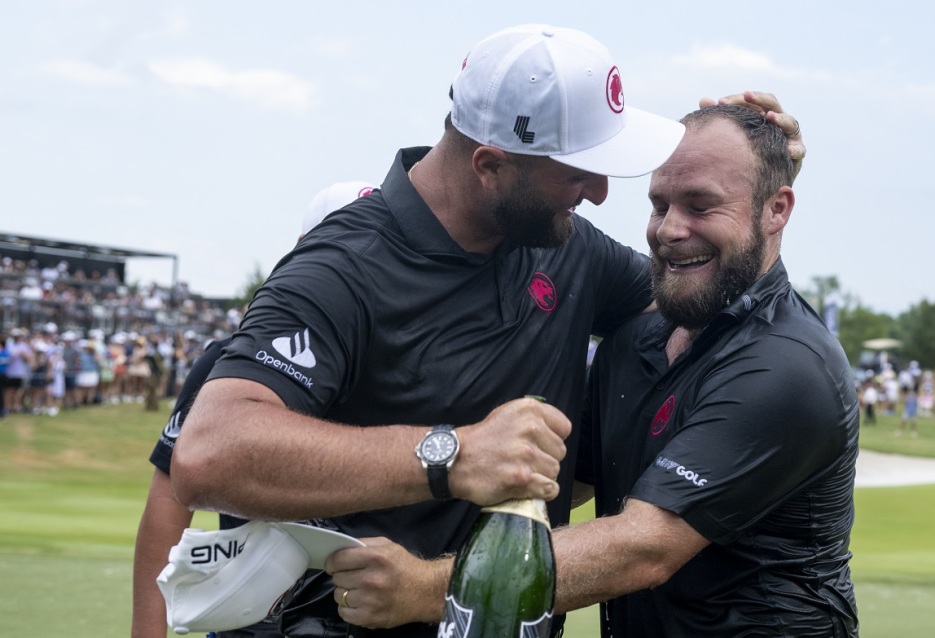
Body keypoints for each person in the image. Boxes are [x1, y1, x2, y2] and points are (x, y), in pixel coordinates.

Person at [173, 25, 805, 638]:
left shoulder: (563, 242)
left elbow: (706, 293)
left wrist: (759, 178)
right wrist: (453, 455)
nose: (601, 193)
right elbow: (208, 453)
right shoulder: (341, 269)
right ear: (491, 165)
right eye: (577, 171)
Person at [325, 105, 850, 637]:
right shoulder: (637, 341)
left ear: (777, 209)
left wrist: (425, 587)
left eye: (701, 205)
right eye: (659, 204)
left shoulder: (788, 364)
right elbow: (563, 484)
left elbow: (642, 547)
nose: (669, 229)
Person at [131, 181, 377, 638]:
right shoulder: (231, 363)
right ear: (306, 252)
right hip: (254, 623)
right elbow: (169, 501)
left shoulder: (426, 370)